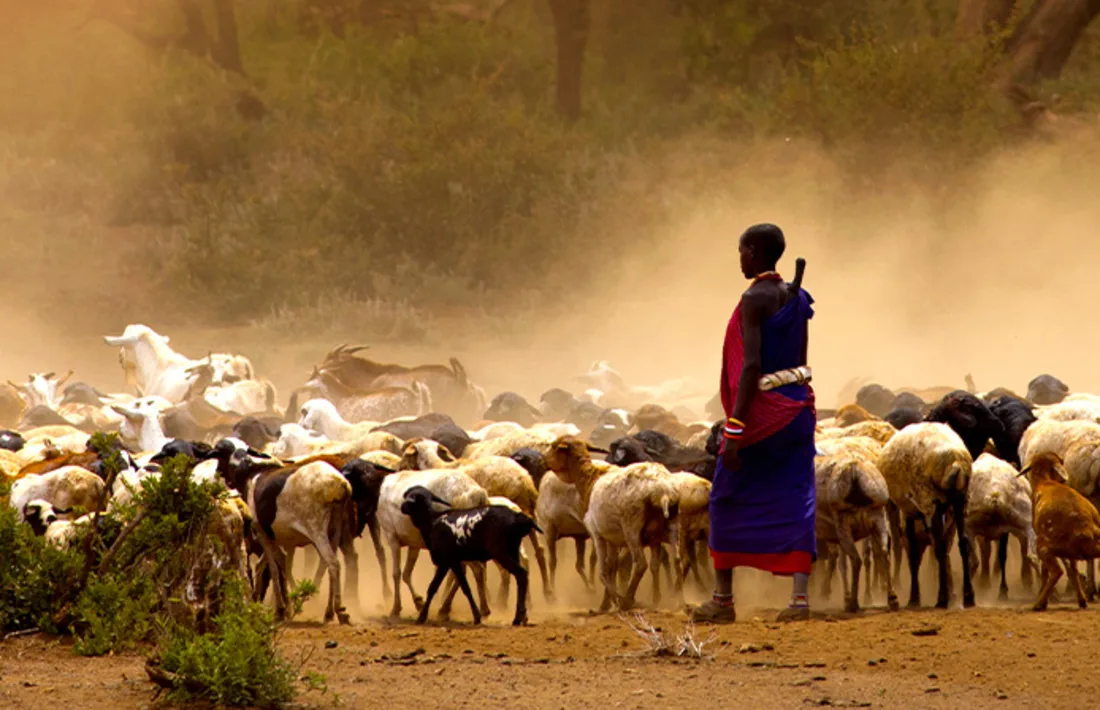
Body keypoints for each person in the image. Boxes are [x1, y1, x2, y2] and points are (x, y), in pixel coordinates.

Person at [689, 223, 817, 624]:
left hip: (763, 412)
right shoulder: (795, 298)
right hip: (797, 405)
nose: (740, 258)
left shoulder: (754, 298)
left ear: (757, 252)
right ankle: (799, 601)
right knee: (797, 496)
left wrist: (736, 427)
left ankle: (722, 600)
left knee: (726, 496)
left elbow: (751, 366)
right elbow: (799, 357)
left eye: (742, 251)